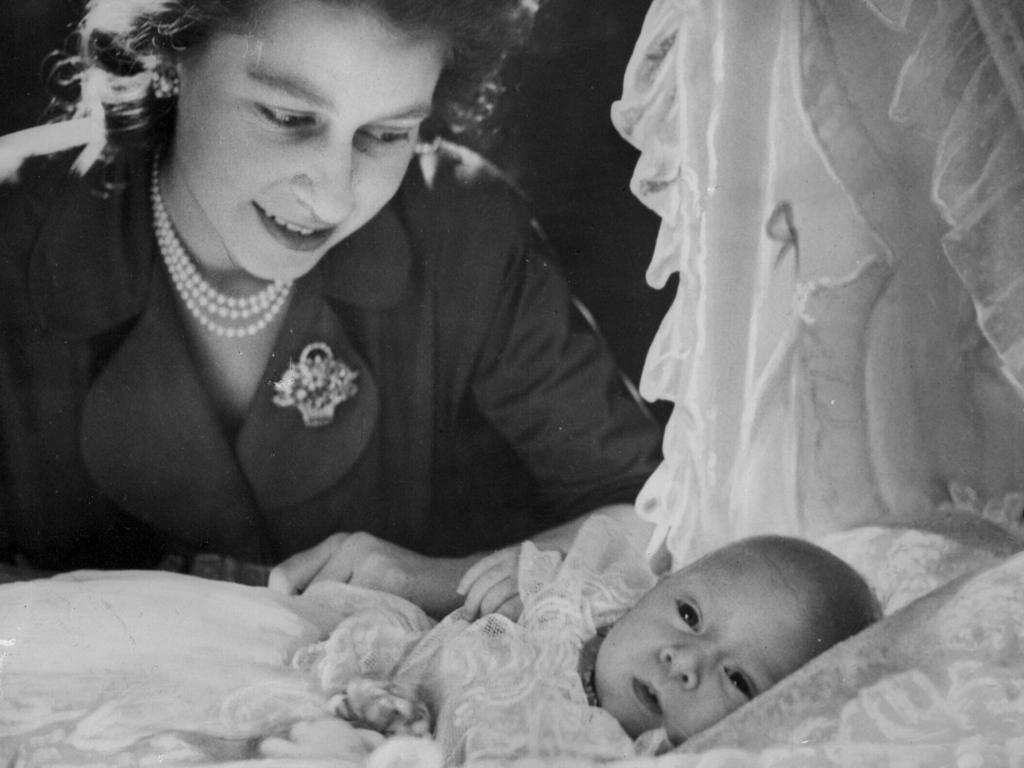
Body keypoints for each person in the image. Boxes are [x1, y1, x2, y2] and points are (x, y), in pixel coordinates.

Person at [0, 0, 662, 616]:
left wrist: (437, 580)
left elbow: (661, 514)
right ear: (174, 56)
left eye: (386, 134)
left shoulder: (466, 229)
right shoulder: (12, 229)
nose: (334, 195)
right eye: (289, 118)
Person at [282, 516, 881, 762]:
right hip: (408, 714)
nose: (685, 662)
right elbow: (478, 622)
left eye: (739, 680)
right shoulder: (575, 609)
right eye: (690, 616)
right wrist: (514, 591)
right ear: (655, 587)